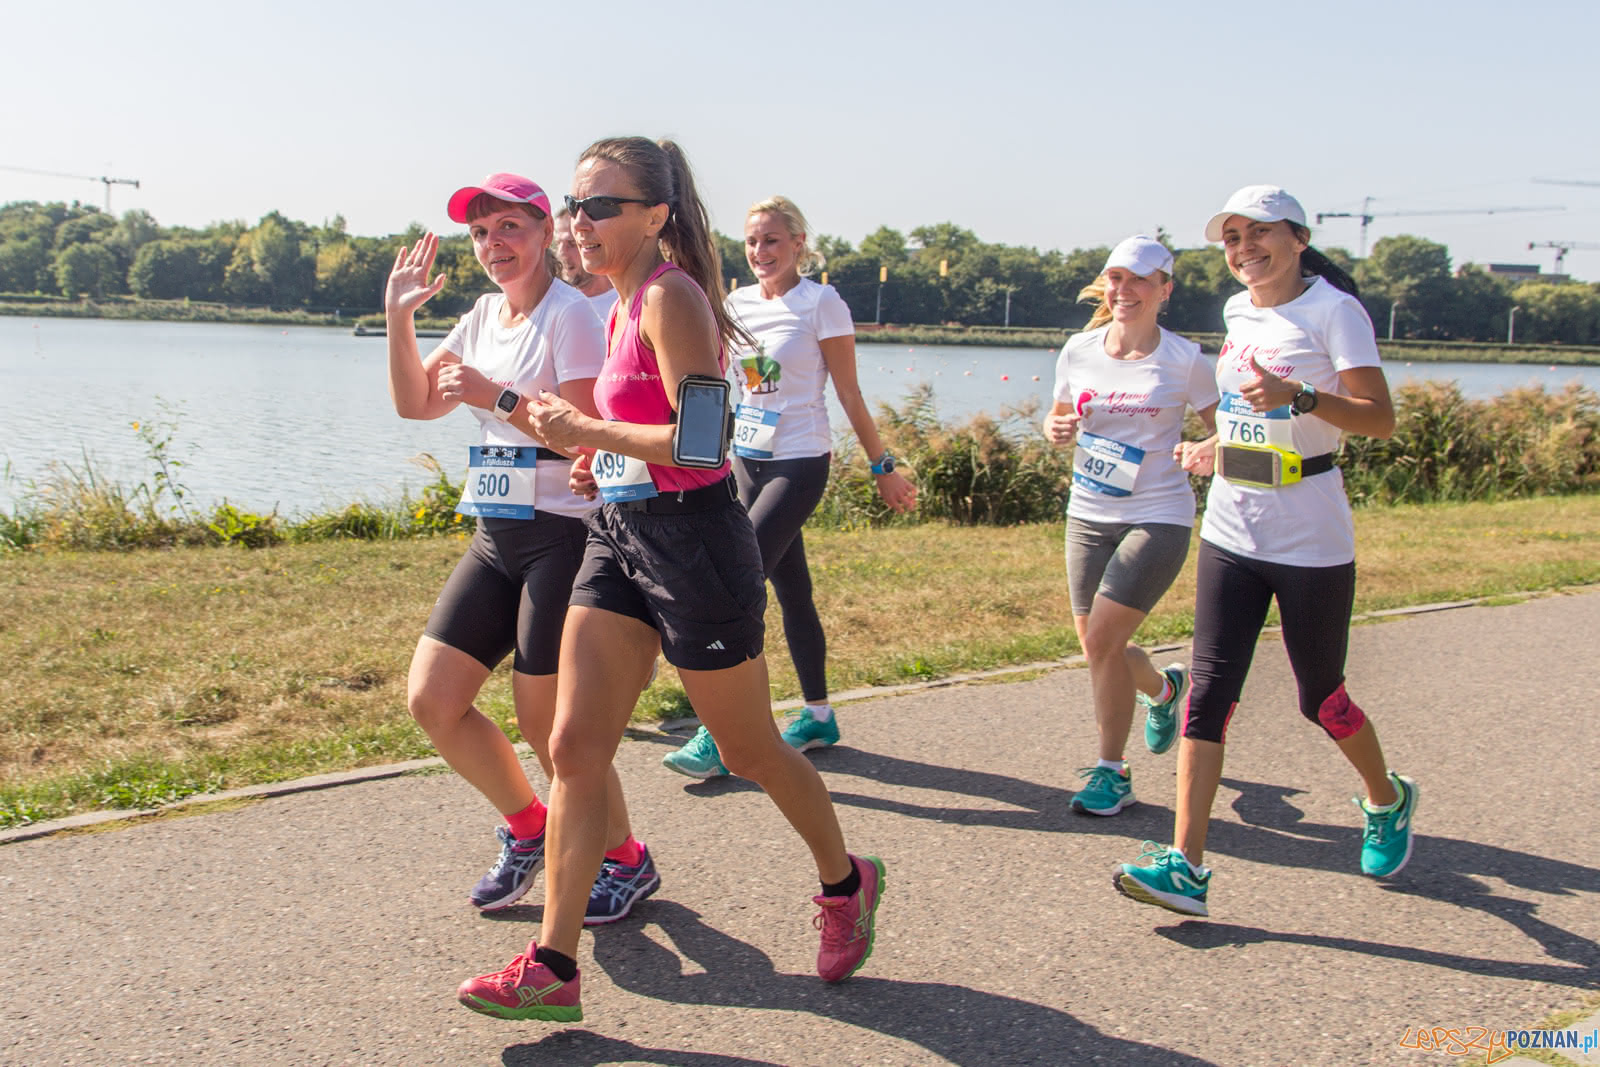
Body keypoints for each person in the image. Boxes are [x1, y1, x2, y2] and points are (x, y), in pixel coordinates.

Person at [456, 137, 885, 1023]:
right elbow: (637, 436)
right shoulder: (611, 303)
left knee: (747, 748)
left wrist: (591, 433)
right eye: (576, 206)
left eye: (600, 205)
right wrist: (596, 462)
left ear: (654, 214)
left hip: (695, 544)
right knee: (574, 748)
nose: (581, 223)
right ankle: (552, 965)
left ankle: (847, 881)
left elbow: (703, 444)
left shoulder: (672, 297)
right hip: (620, 536)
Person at [1114, 185, 1417, 918]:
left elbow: (1379, 420)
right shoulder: (1236, 312)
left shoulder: (1336, 312)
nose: (1245, 249)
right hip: (1232, 526)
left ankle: (1386, 796)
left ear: (1299, 237)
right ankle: (1186, 864)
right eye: (1232, 238)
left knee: (1322, 698)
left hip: (1310, 535)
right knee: (1211, 694)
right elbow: (1254, 414)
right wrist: (1214, 444)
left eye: (1260, 234)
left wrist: (1303, 397)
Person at [383, 172, 656, 926]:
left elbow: (587, 429)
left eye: (509, 228)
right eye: (480, 233)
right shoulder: (478, 316)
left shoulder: (571, 315)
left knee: (552, 724)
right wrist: (398, 317)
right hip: (497, 533)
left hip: (565, 533)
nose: (493, 245)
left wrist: (494, 396)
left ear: (544, 232)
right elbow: (415, 404)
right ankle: (530, 826)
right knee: (433, 699)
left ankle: (625, 857)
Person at [661, 195, 918, 779]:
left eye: (772, 240)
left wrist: (883, 469)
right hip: (747, 461)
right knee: (792, 590)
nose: (760, 252)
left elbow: (849, 393)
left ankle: (723, 732)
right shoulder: (736, 303)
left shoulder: (821, 304)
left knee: (735, 583)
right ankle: (819, 715)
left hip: (799, 461)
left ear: (799, 243)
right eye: (752, 242)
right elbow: (724, 388)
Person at [1043, 236, 1218, 816]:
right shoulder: (1079, 349)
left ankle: (1110, 773)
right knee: (1099, 648)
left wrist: (1205, 447)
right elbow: (1060, 414)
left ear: (1164, 290)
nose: (1124, 290)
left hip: (1158, 514)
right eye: (1116, 278)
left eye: (1139, 280)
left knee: (1101, 641)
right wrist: (1057, 430)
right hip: (1088, 513)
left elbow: (1226, 427)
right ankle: (1164, 690)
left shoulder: (1186, 359)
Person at [552, 203, 618, 320]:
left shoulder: (624, 304)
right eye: (558, 243)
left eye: (571, 243)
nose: (561, 252)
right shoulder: (554, 306)